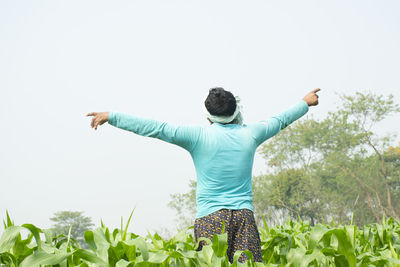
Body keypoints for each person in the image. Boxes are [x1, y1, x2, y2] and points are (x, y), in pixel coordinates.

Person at [87, 87, 320, 263]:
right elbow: (280, 120)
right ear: (236, 110)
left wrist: (112, 116)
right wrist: (305, 103)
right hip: (243, 218)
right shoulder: (251, 134)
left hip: (210, 220)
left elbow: (156, 128)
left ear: (208, 115)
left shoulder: (197, 137)